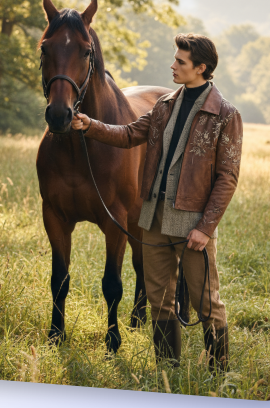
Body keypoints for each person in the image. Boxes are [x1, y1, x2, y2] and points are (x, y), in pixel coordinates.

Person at [71, 33, 242, 372]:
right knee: (159, 302)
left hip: (192, 224)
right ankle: (168, 371)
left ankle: (220, 372)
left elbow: (228, 178)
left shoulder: (225, 114)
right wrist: (90, 125)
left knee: (206, 303)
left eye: (180, 61)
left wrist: (205, 228)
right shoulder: (164, 106)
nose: (173, 66)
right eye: (175, 59)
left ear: (201, 68)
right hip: (152, 218)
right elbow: (129, 133)